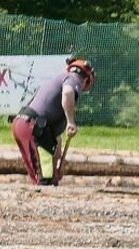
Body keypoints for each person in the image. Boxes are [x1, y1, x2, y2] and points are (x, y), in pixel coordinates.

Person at [11, 57, 95, 186]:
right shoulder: (73, 79)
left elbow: (54, 140)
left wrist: (55, 168)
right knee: (45, 181)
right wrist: (71, 122)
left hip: (26, 125)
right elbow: (67, 93)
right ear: (86, 79)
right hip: (33, 127)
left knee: (46, 177)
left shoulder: (59, 81)